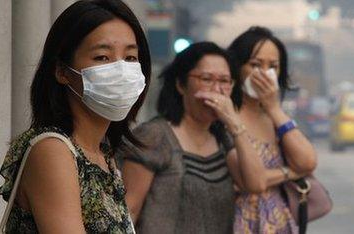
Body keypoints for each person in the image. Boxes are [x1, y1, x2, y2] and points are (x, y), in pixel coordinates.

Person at [0, 0, 150, 233]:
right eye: (102, 57)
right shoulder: (53, 150)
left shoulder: (102, 155)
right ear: (62, 71)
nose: (120, 70)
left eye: (130, 58)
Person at [119, 42, 271, 234]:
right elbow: (128, 211)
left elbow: (256, 183)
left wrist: (235, 124)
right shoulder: (155, 135)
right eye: (206, 79)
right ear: (181, 85)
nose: (216, 89)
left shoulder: (223, 138)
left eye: (225, 81)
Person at [228, 26, 318, 233]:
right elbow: (254, 181)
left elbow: (308, 161)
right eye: (255, 64)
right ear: (237, 67)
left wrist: (274, 108)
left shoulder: (274, 117)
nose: (265, 74)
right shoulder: (226, 116)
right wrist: (291, 172)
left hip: (278, 222)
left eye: (273, 67)